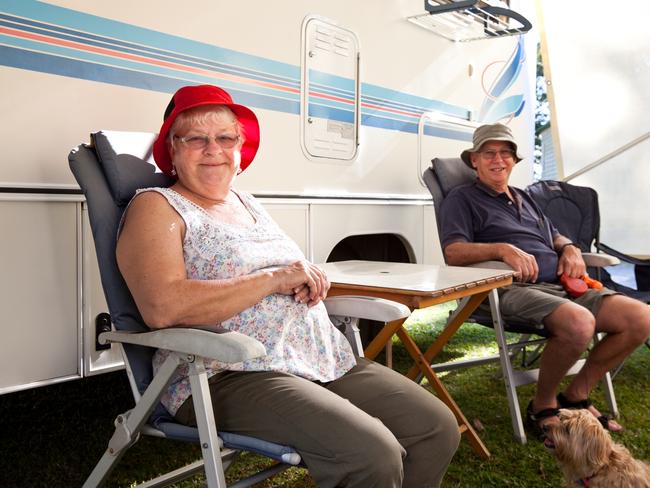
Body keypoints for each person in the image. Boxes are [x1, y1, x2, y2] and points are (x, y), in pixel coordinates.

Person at [116, 84, 459, 488]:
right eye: (195, 138)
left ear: (240, 149)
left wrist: (309, 276)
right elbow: (163, 307)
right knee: (370, 454)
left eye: (226, 137)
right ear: (171, 151)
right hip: (226, 372)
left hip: (315, 358)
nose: (213, 149)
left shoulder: (248, 202)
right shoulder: (157, 206)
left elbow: (280, 267)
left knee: (435, 428)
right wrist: (274, 279)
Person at [439, 123, 650, 437]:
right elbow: (453, 252)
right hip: (504, 288)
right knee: (579, 323)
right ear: (474, 160)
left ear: (514, 160)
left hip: (559, 286)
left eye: (505, 153)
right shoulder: (462, 199)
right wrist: (502, 249)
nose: (498, 160)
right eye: (489, 153)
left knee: (641, 318)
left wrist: (569, 248)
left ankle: (576, 396)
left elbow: (553, 234)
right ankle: (543, 406)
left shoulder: (524, 197)